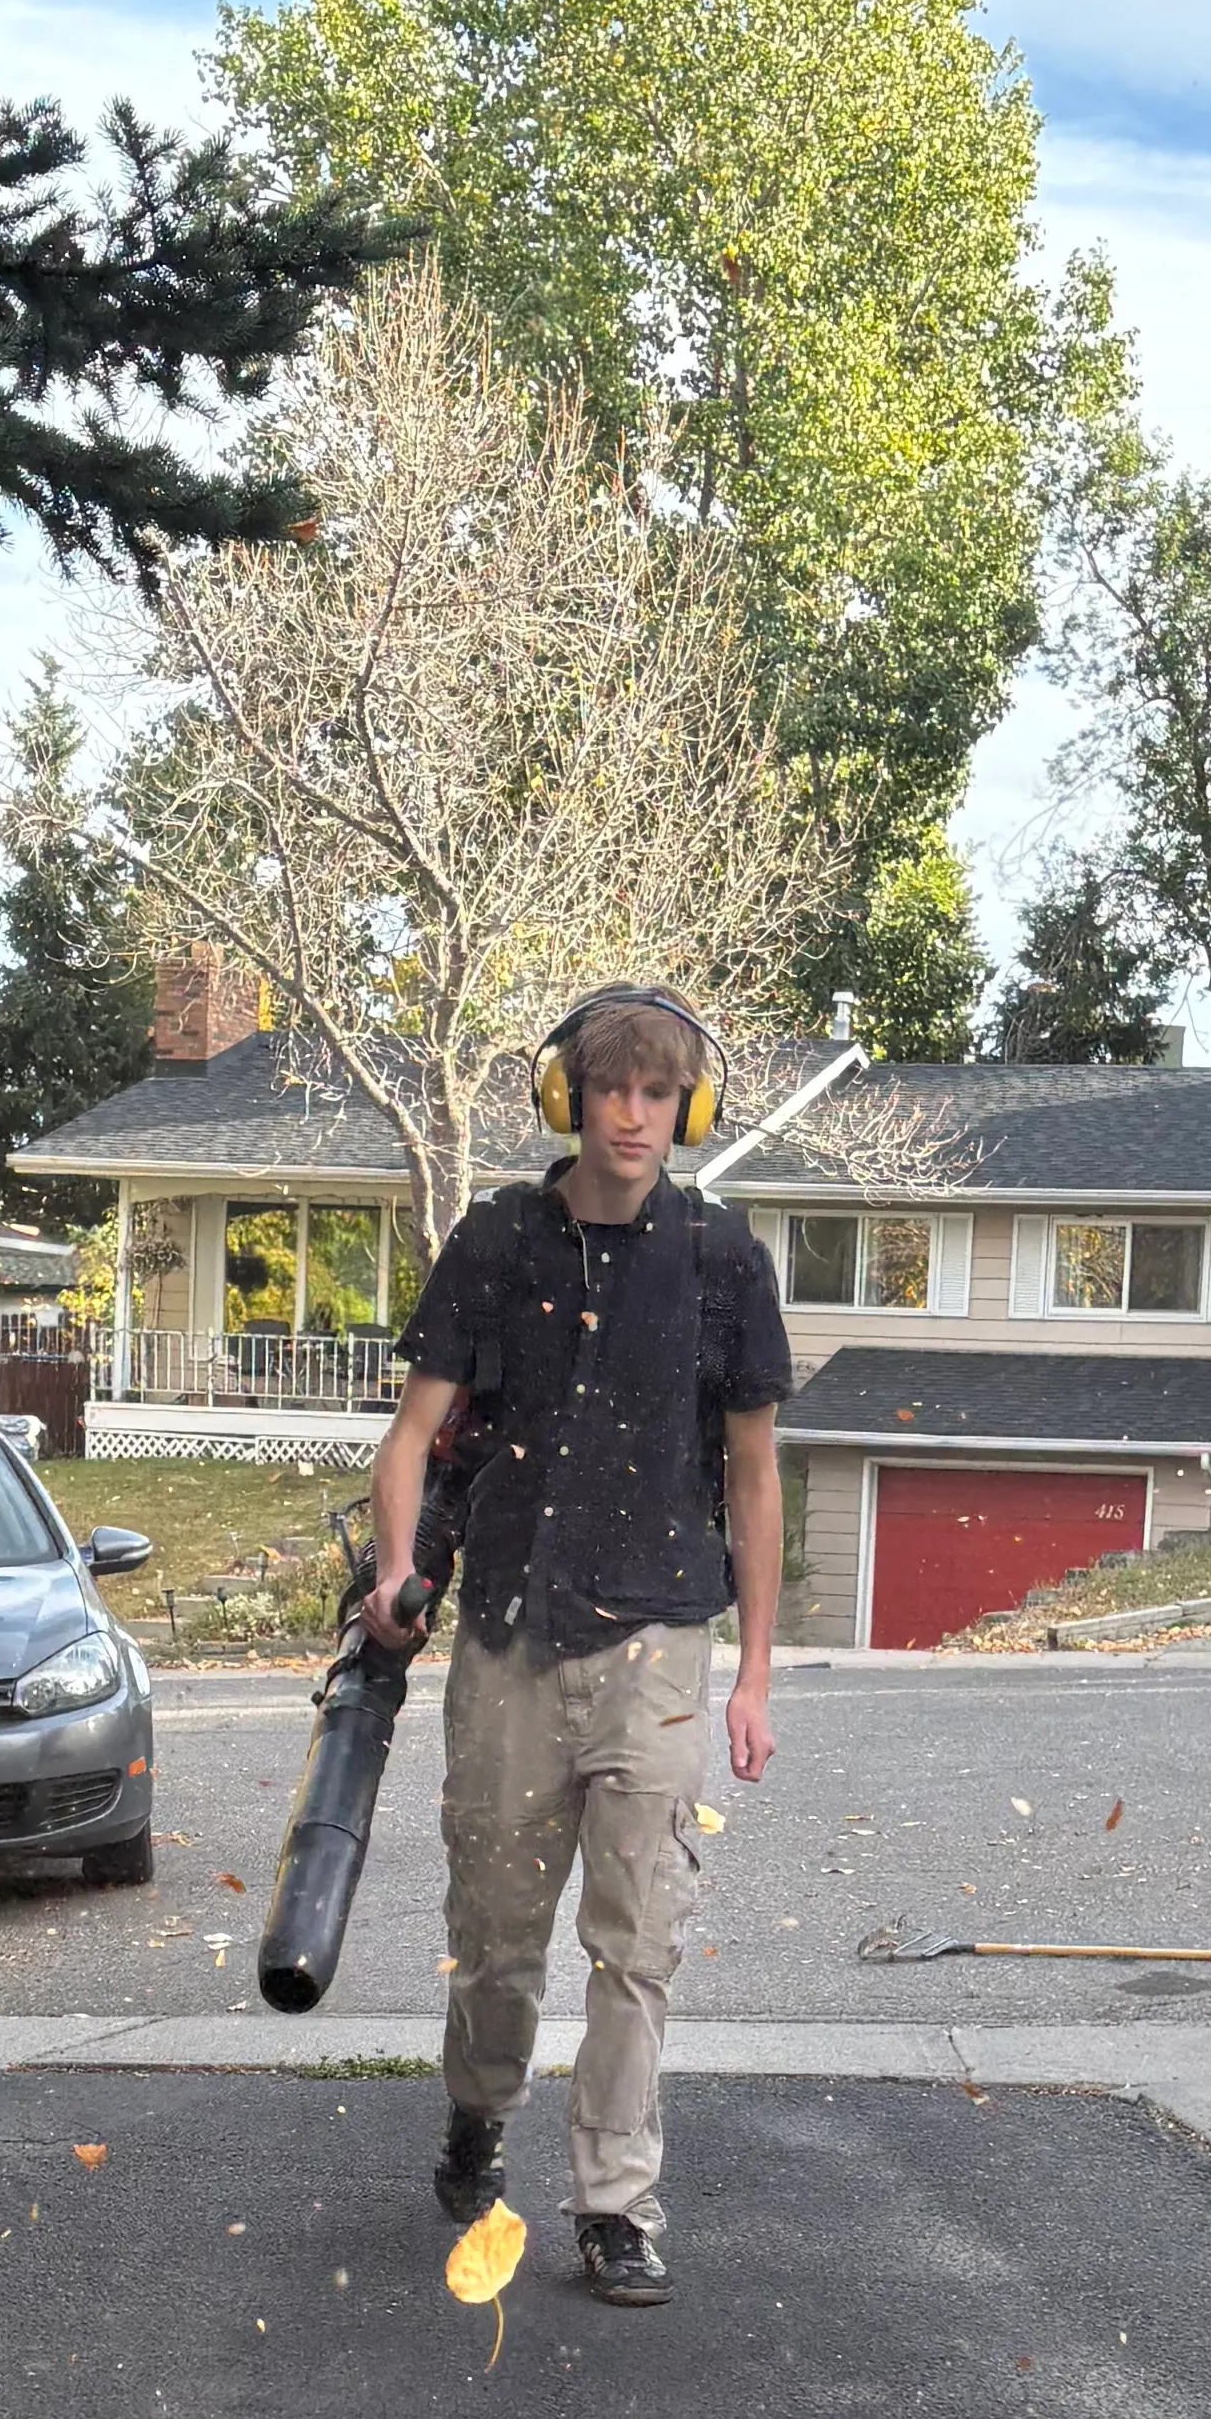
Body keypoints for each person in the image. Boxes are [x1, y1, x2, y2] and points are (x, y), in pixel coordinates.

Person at [354, 987, 792, 2303]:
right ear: (569, 1098)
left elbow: (757, 1476)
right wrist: (394, 1570)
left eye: (660, 1093)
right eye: (612, 1089)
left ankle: (616, 2203)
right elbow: (413, 1438)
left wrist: (756, 1672)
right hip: (507, 1637)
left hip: (661, 1633)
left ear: (689, 1108)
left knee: (636, 1939)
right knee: (496, 1939)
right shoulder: (496, 1244)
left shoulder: (723, 1262)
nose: (634, 1115)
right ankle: (479, 2112)